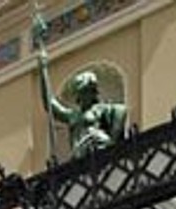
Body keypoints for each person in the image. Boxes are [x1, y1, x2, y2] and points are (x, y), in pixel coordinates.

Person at [33, 13, 129, 158]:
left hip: (99, 151)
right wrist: (42, 70)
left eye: (88, 91)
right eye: (82, 91)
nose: (84, 95)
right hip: (79, 156)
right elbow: (50, 103)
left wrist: (109, 140)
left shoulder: (103, 110)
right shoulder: (73, 115)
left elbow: (121, 113)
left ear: (93, 93)